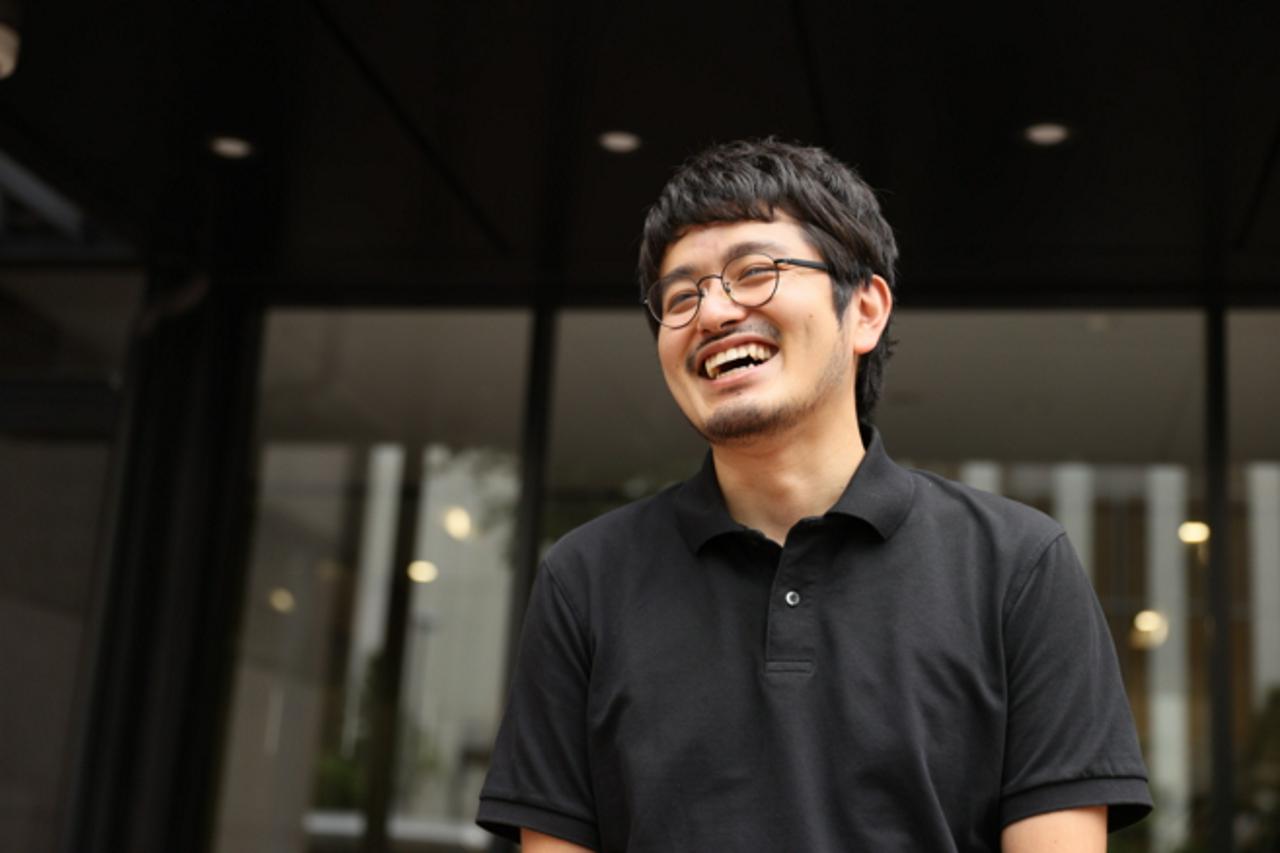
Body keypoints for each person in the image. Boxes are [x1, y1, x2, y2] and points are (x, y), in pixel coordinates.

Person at [476, 139, 1152, 851]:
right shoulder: (585, 577)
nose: (712, 312)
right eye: (680, 296)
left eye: (754, 272)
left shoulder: (1018, 566)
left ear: (866, 309)